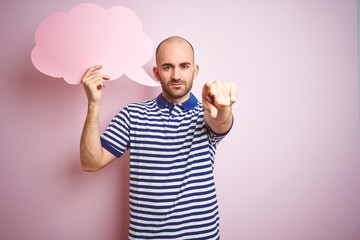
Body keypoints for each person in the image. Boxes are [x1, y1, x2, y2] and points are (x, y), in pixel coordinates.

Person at [80, 36, 237, 240]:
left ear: (195, 71)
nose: (176, 75)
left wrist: (223, 107)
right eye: (167, 67)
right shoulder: (132, 115)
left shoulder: (205, 114)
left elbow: (219, 122)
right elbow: (91, 162)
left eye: (184, 66)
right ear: (156, 73)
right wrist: (94, 103)